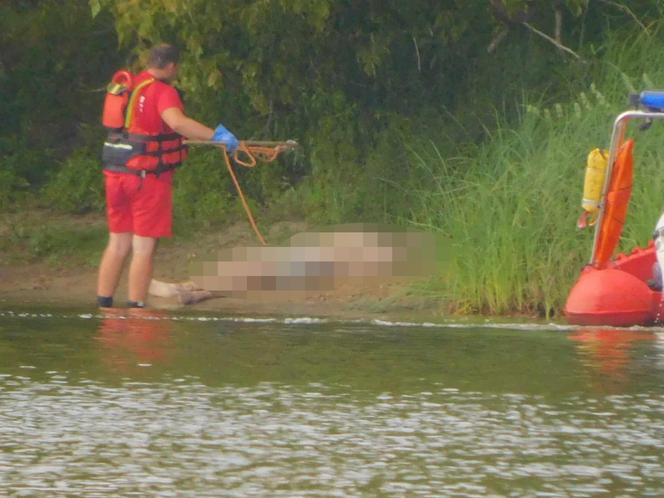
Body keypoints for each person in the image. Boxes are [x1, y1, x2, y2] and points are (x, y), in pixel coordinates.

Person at [96, 43, 238, 308]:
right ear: (172, 66)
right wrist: (217, 136)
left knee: (117, 243)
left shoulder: (131, 85)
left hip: (115, 175)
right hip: (146, 179)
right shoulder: (163, 91)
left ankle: (104, 308)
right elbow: (177, 122)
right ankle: (137, 309)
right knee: (143, 247)